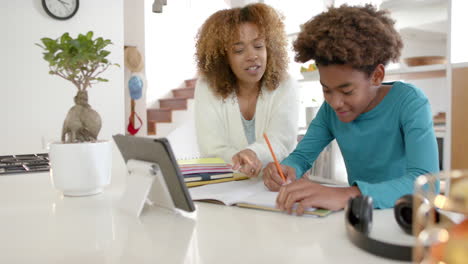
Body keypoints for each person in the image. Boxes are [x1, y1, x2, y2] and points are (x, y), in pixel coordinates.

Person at [262, 4, 439, 214]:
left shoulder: (409, 102)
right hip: (359, 215)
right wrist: (286, 169)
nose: (335, 102)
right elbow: (301, 157)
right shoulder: (330, 111)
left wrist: (346, 194)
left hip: (407, 216)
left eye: (346, 91)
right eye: (326, 90)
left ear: (377, 76)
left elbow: (427, 184)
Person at [194, 3, 299, 177]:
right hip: (226, 188)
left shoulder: (285, 84)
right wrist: (239, 161)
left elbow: (281, 141)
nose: (252, 56)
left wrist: (253, 154)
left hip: (274, 187)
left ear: (269, 48)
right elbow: (211, 149)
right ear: (223, 57)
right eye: (239, 50)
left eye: (258, 46)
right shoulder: (207, 87)